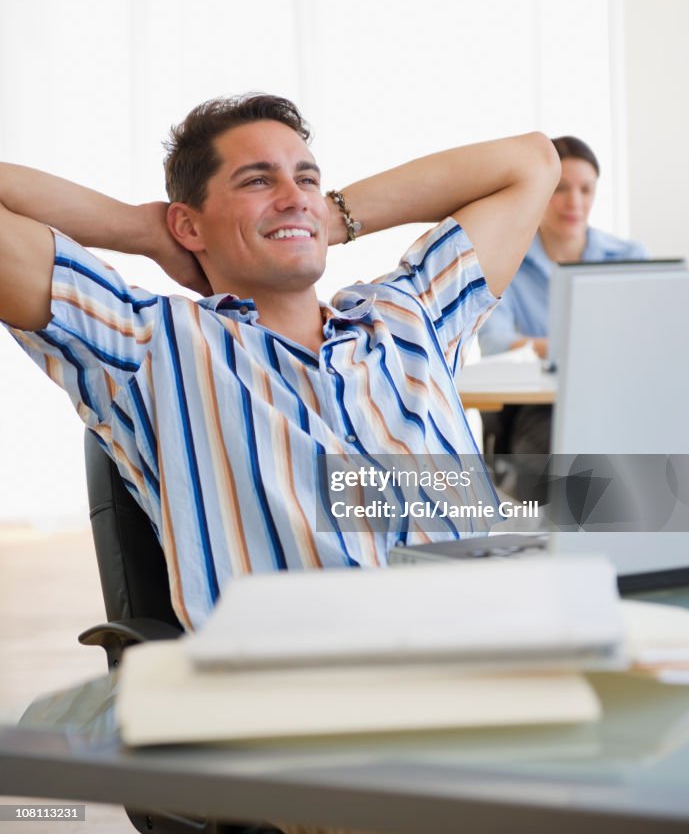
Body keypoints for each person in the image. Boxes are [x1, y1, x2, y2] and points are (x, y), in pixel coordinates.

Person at [0, 94, 559, 630]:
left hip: (503, 640)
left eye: (307, 177)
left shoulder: (409, 316)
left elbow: (531, 161)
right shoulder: (146, 343)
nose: (294, 194)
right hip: (309, 689)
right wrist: (145, 231)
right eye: (258, 180)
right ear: (189, 225)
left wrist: (323, 216)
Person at [478, 135, 647, 457]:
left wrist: (544, 347)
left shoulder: (631, 256)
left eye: (586, 189)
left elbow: (650, 341)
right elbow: (495, 343)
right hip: (545, 411)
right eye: (560, 189)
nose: (575, 203)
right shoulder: (505, 263)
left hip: (624, 401)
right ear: (539, 192)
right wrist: (584, 350)